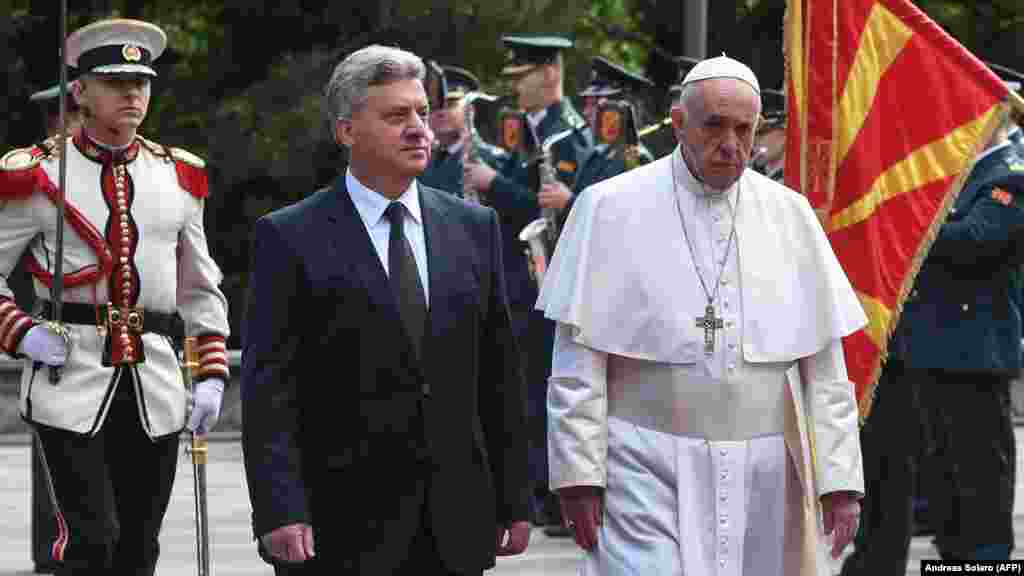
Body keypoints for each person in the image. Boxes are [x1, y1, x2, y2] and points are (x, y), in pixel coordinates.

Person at [537, 55, 866, 575]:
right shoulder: (607, 207)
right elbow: (578, 361)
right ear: (677, 123)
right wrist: (578, 474)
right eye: (714, 125)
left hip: (766, 471)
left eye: (744, 128)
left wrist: (841, 479)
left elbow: (826, 370)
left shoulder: (790, 214)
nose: (731, 143)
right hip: (641, 465)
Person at [241, 44, 531, 575]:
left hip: (453, 520)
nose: (420, 128)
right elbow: (268, 388)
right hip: (339, 525)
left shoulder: (473, 228)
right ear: (347, 131)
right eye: (397, 116)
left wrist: (515, 497)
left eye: (421, 112)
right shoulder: (290, 235)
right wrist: (279, 507)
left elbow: (498, 373)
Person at [0, 18, 230, 575]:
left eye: (142, 82)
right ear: (80, 91)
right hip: (69, 376)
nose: (133, 94)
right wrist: (22, 331)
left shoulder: (177, 176)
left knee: (139, 548)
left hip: (153, 383)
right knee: (92, 541)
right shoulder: (37, 174)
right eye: (115, 82)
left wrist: (213, 371)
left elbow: (199, 285)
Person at [840, 113, 1024, 574]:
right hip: (929, 354)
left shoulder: (1010, 173)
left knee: (981, 491)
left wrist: (900, 224)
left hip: (975, 358)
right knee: (945, 493)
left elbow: (976, 238)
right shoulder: (962, 173)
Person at [463, 34, 594, 536]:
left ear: (551, 75)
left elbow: (544, 204)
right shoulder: (534, 131)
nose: (517, 89)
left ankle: (555, 493)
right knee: (524, 390)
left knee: (549, 390)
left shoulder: (567, 134)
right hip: (523, 278)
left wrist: (494, 184)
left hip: (553, 278)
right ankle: (537, 490)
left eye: (525, 78)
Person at [419, 65, 506, 199]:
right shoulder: (421, 162)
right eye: (434, 106)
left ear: (470, 110)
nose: (441, 112)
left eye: (451, 104)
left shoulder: (490, 159)